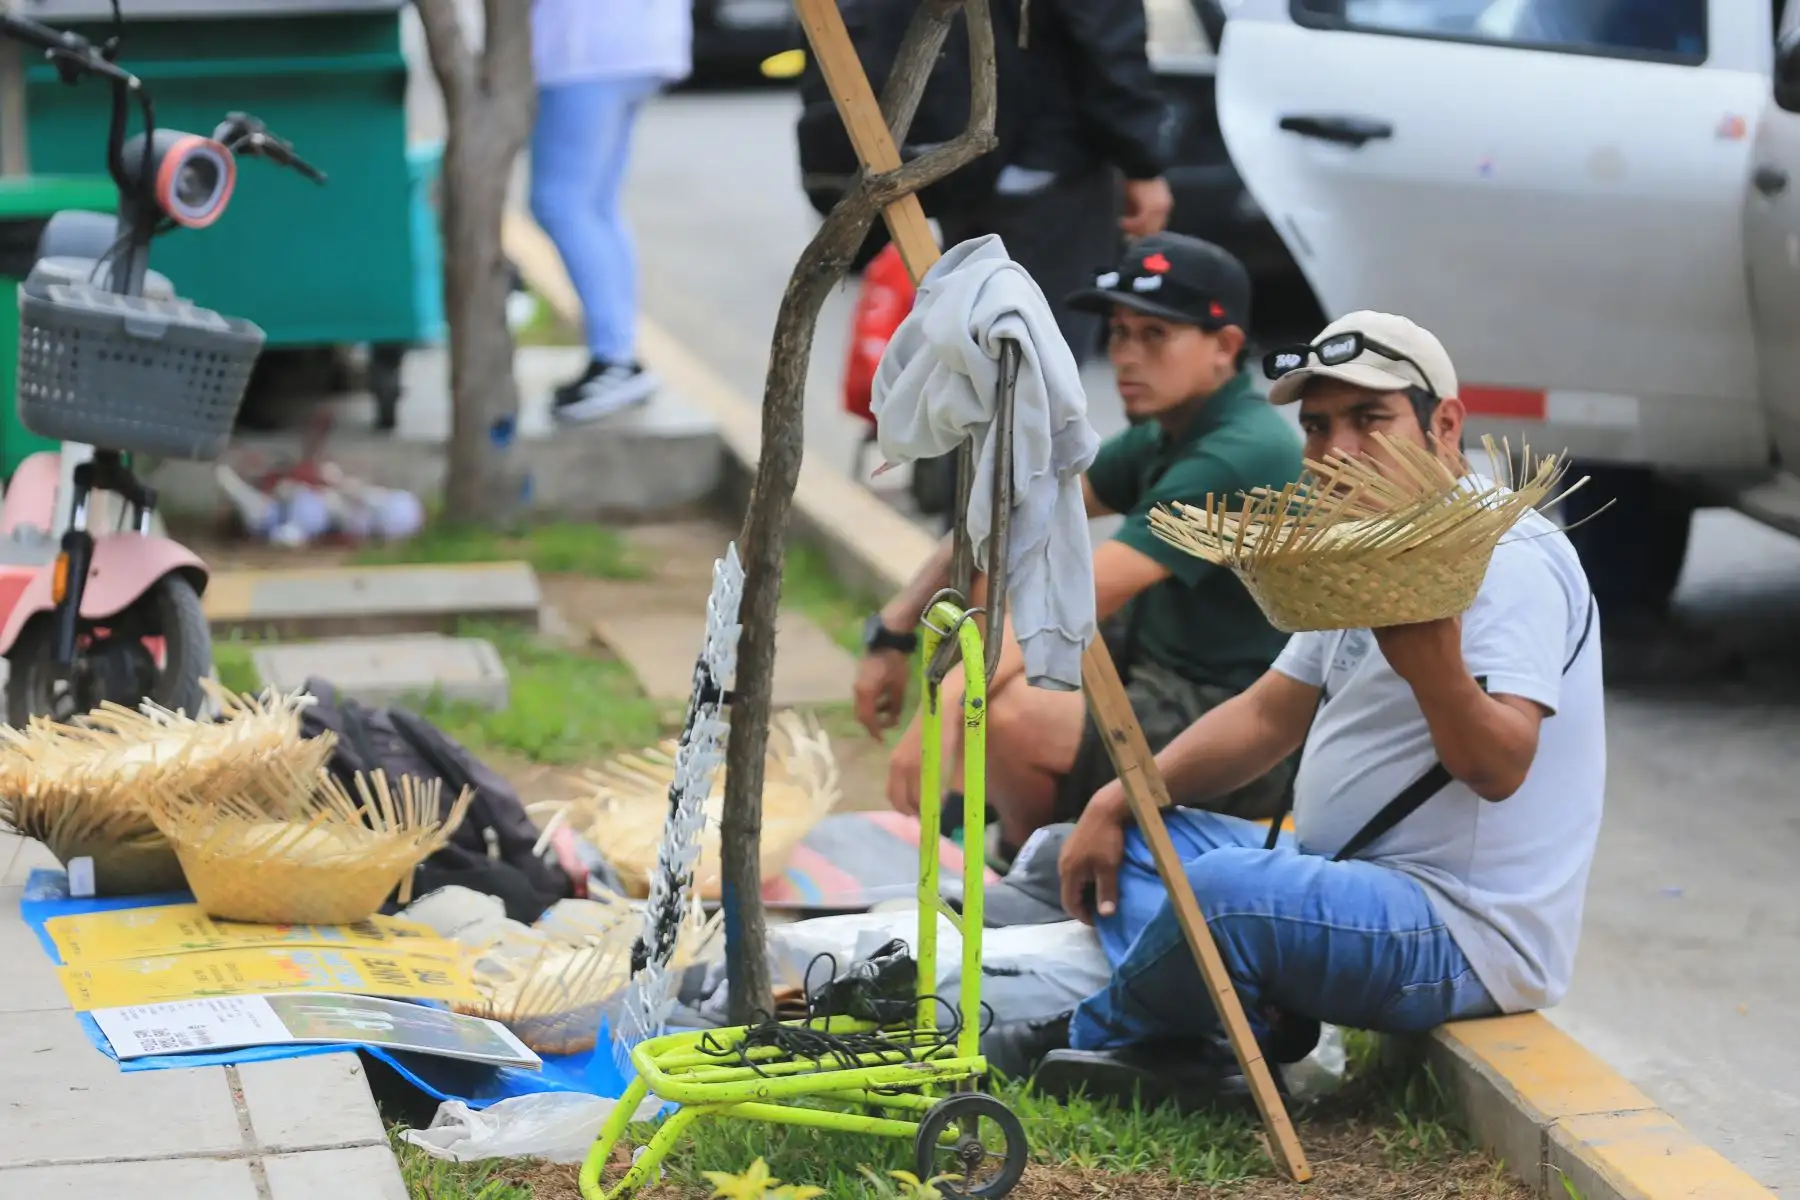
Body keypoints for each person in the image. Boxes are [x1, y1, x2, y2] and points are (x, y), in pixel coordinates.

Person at [978, 311, 1606, 1107]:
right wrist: (1123, 793)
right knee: (1112, 841)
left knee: (1224, 894)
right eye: (1317, 426)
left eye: (1369, 419)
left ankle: (1092, 1035)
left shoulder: (1502, 556)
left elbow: (1500, 766)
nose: (1337, 451)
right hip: (1345, 883)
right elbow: (1269, 715)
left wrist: (1436, 672)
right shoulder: (1367, 538)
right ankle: (1228, 1016)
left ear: (1445, 424)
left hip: (1458, 933)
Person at [853, 233, 1304, 865]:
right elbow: (1004, 518)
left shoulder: (1240, 452)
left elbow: (1078, 598)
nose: (1126, 356)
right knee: (992, 585)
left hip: (1237, 720)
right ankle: (1000, 829)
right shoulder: (1168, 430)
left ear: (1224, 348)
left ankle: (1029, 877)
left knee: (1007, 717)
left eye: (1156, 335)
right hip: (1155, 670)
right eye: (1120, 333)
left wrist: (950, 701)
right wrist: (896, 632)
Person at [528, 0, 691, 422]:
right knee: (595, 206)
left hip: (586, 49)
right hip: (635, 43)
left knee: (561, 203)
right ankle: (619, 355)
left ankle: (615, 360)